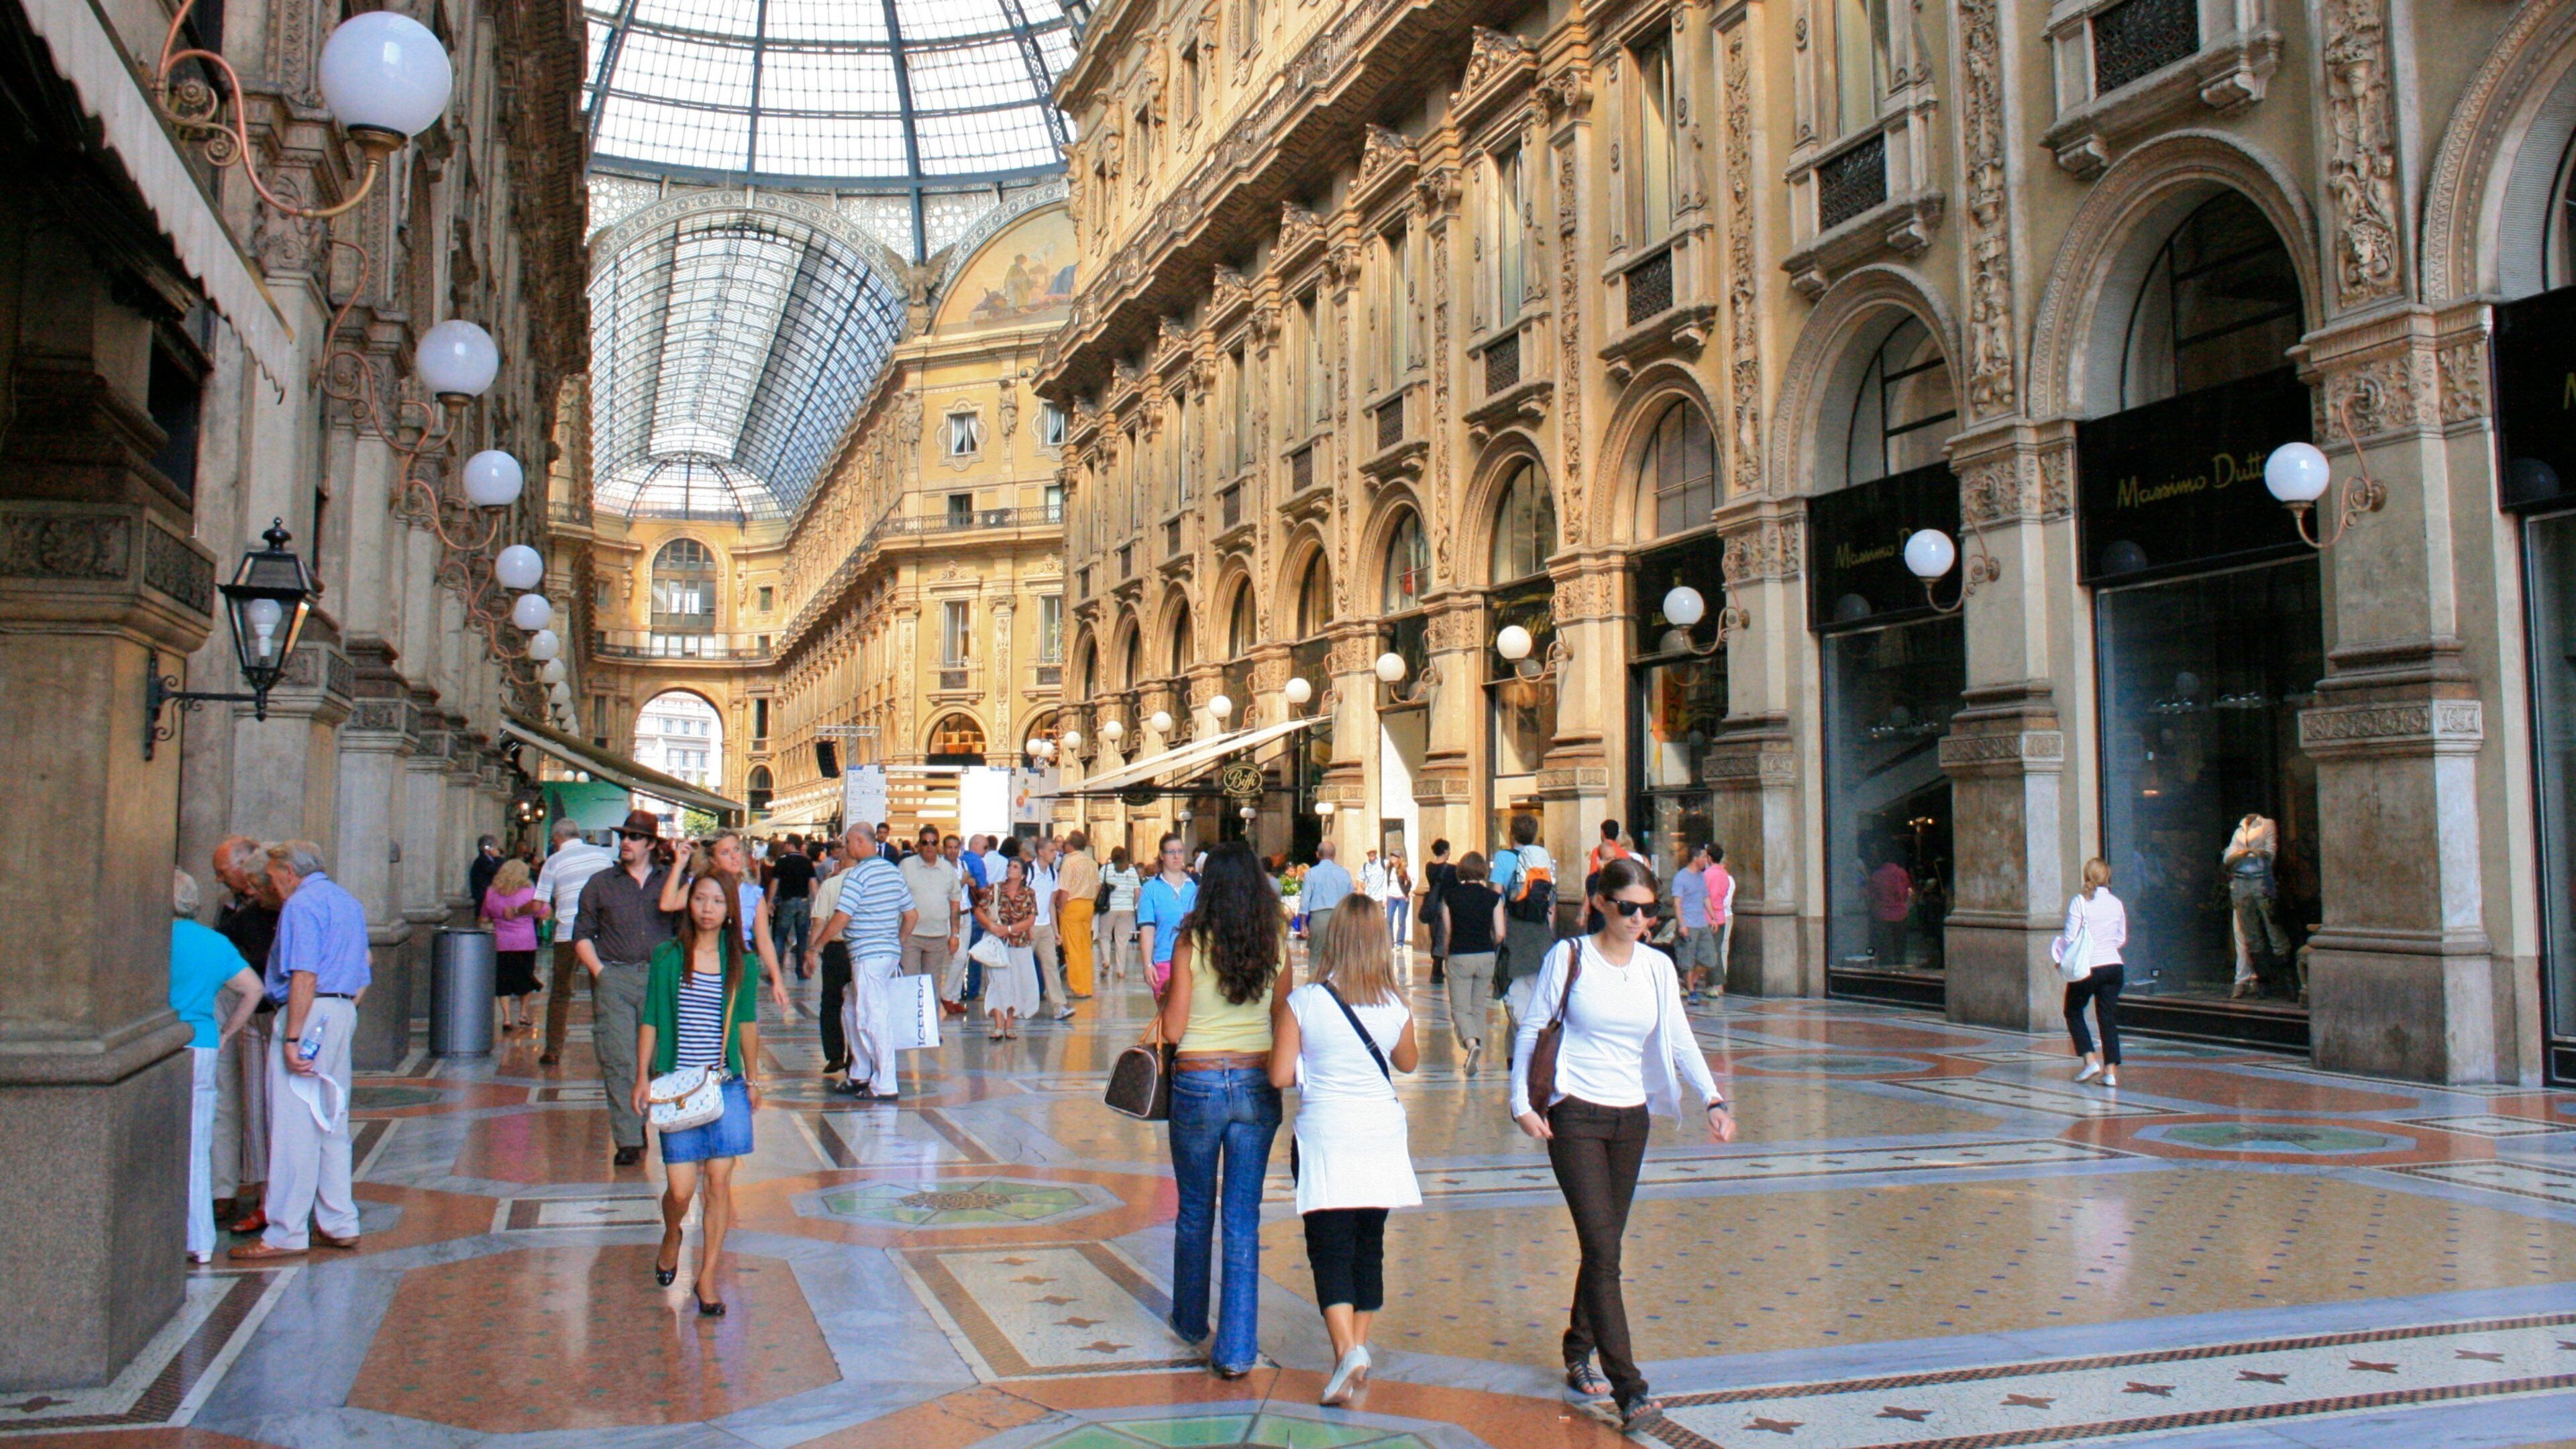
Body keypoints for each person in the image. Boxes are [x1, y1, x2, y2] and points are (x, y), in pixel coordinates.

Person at [1509, 857, 1734, 1432]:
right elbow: (1533, 1027)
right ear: (1604, 904)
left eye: (1649, 910)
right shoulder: (1571, 956)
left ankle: (1577, 1348)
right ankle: (1631, 1390)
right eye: (1629, 907)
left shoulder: (1657, 968)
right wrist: (1521, 1104)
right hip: (1574, 1115)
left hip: (1630, 1119)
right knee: (1604, 1249)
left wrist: (1712, 1097)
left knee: (1603, 1245)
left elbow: (1678, 1037)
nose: (1640, 919)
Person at [1269, 902, 1421, 1405]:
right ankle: (1353, 1349)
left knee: (1328, 1246)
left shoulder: (1306, 1002)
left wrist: (1316, 1064)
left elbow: (1278, 1074)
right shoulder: (1394, 1005)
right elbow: (1408, 1062)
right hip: (1380, 1131)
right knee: (1368, 1244)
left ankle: (1348, 1352)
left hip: (1326, 1132)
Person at [1155, 841, 1287, 1378]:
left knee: (1193, 1209)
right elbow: (1284, 1015)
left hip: (1199, 1081)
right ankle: (1236, 1350)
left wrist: (1166, 998)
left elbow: (1174, 1029)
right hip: (1256, 1081)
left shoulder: (1191, 942)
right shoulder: (1273, 939)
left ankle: (1190, 1320)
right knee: (1242, 1218)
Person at [229, 843, 374, 1262]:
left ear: (290, 871)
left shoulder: (301, 905)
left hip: (308, 1012)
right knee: (332, 1121)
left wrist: (294, 1037)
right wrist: (340, 1013)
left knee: (294, 1126)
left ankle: (286, 1231)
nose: (270, 886)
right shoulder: (347, 901)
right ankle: (339, 1221)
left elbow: (304, 974)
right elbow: (363, 967)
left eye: (273, 877)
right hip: (342, 1009)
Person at [633, 871, 763, 1316]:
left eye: (717, 902)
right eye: (701, 899)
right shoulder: (668, 956)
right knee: (681, 1189)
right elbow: (651, 1017)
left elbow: (746, 1022)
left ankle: (707, 1276)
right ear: (690, 904)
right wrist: (641, 1077)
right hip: (677, 1087)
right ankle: (673, 1232)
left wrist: (754, 1077)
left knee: (720, 1180)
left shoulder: (740, 962)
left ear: (730, 911)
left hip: (724, 1085)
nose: (708, 908)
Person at [574, 810, 678, 1167]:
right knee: (619, 1058)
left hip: (660, 980)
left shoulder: (671, 881)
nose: (626, 843)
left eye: (634, 837)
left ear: (651, 844)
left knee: (659, 1059)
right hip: (615, 978)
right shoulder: (601, 883)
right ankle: (629, 1138)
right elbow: (583, 934)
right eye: (624, 837)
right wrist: (601, 972)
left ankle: (658, 1123)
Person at [171, 869, 261, 1265]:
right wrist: (227, 1032)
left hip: (161, 1043)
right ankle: (201, 1240)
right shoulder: (214, 941)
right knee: (198, 1144)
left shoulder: (146, 941)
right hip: (204, 1043)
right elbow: (253, 989)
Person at [808, 824, 915, 1100]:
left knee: (873, 1015)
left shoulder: (857, 876)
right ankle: (860, 1070)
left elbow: (842, 916)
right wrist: (896, 942)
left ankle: (886, 1082)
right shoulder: (893, 872)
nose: (845, 849)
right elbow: (912, 915)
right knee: (851, 1005)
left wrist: (817, 946)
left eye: (847, 843)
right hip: (886, 953)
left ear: (859, 842)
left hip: (867, 955)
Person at [211, 837, 278, 1236]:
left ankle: (294, 1199)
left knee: (286, 1108)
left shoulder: (293, 909)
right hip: (251, 1015)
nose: (255, 891)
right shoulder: (242, 913)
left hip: (283, 1013)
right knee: (250, 1106)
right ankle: (260, 1196)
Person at [660, 833, 792, 1014]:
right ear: (713, 860)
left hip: (739, 961)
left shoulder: (753, 894)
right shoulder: (700, 886)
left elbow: (763, 940)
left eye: (736, 849)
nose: (734, 856)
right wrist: (679, 866)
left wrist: (777, 980)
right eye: (725, 853)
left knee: (740, 1021)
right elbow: (668, 904)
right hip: (705, 961)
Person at [534, 820, 614, 1066]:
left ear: (558, 838)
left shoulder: (554, 862)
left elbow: (540, 906)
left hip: (568, 934)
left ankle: (553, 1050)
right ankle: (608, 1051)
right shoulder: (603, 857)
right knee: (603, 993)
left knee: (560, 993)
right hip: (600, 934)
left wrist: (518, 911)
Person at [2059, 857, 2130, 1087]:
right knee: (2107, 1017)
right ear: (2107, 876)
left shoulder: (2080, 901)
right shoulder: (2116, 903)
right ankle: (2110, 1070)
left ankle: (2089, 1059)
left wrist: (2060, 958)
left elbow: (2070, 938)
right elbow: (2121, 938)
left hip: (2088, 966)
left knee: (2073, 1010)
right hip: (2114, 966)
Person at [1435, 852, 1507, 1074]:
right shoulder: (1493, 898)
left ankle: (1472, 1045)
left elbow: (1447, 932)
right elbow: (1501, 934)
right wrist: (1491, 944)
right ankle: (1474, 1054)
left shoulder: (1450, 896)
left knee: (1459, 1009)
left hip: (1460, 955)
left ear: (1461, 871)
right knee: (1478, 1008)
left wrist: (1446, 955)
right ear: (1483, 871)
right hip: (1486, 955)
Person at [2225, 813, 2293, 998]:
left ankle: (2288, 983)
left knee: (2273, 929)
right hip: (2241, 883)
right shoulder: (2240, 828)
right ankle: (2262, 983)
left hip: (2261, 881)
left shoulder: (2266, 824)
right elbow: (2228, 858)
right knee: (2251, 935)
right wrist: (2246, 854)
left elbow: (2270, 854)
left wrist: (2242, 856)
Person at [481, 857, 549, 1034]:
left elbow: (484, 916)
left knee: (503, 980)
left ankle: (506, 1017)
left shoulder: (491, 892)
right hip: (525, 941)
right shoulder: (529, 892)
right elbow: (544, 913)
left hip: (501, 942)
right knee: (525, 977)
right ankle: (523, 1013)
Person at [978, 856, 1041, 1040]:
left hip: (1019, 943)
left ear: (1023, 874)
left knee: (1015, 984)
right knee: (998, 982)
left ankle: (1009, 1024)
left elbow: (1031, 919)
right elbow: (979, 910)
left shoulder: (1029, 893)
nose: (1010, 869)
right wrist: (992, 927)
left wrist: (1010, 929)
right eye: (1009, 866)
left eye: (1015, 867)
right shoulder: (995, 889)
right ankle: (998, 1025)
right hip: (998, 943)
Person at [1497, 814, 1558, 994]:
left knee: (1513, 987)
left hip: (1514, 926)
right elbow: (1552, 903)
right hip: (1541, 927)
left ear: (1512, 834)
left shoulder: (1503, 857)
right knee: (1537, 987)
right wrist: (1550, 935)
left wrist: (1497, 932)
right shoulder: (1544, 859)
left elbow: (1495, 896)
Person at [1134, 833, 1201, 996]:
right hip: (1165, 960)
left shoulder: (1195, 886)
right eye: (1171, 852)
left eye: (1180, 851)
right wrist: (1147, 965)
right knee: (1170, 1015)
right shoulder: (1151, 889)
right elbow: (1148, 929)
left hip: (1194, 961)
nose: (1177, 856)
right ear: (1162, 855)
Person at [809, 845, 854, 1075]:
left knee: (831, 1002)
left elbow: (819, 921)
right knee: (859, 1004)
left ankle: (835, 1054)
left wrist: (812, 950)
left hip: (835, 949)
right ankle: (857, 1057)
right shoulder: (867, 884)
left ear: (841, 862)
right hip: (860, 950)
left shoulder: (831, 884)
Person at [900, 824, 961, 984]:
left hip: (938, 936)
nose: (929, 846)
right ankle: (909, 1011)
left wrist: (955, 935)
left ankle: (932, 1010)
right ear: (919, 844)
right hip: (910, 935)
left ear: (938, 845)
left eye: (933, 843)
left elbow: (955, 905)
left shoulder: (947, 869)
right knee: (909, 983)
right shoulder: (906, 866)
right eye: (925, 842)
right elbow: (895, 900)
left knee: (932, 985)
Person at [1029, 836, 1073, 1022]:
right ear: (1041, 852)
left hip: (1045, 925)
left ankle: (1059, 1006)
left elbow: (1051, 904)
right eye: (1052, 851)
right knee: (1022, 968)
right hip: (1028, 926)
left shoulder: (1053, 874)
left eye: (1056, 851)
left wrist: (1056, 931)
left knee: (1051, 966)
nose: (1056, 854)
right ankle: (1016, 1005)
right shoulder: (1029, 872)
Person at [1670, 845, 1717, 1006]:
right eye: (1704, 857)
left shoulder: (1701, 877)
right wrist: (1681, 924)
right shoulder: (1681, 877)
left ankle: (1690, 982)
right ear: (1695, 858)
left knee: (1710, 958)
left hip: (1702, 923)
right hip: (1688, 924)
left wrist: (1713, 917)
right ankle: (1692, 990)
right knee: (1687, 959)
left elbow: (1706, 897)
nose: (1706, 860)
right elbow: (1677, 903)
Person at [1057, 830, 1100, 999]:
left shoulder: (1069, 862)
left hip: (1072, 906)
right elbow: (1097, 886)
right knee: (1085, 946)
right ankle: (1087, 985)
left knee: (1072, 948)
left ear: (1070, 845)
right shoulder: (1092, 863)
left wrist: (1061, 908)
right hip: (1088, 905)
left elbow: (1064, 889)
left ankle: (1078, 986)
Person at [769, 837, 816, 977]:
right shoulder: (807, 862)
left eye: (786, 844)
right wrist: (817, 903)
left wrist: (769, 902)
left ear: (791, 845)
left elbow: (775, 883)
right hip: (803, 902)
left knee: (780, 937)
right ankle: (801, 971)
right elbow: (813, 884)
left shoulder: (782, 861)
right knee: (802, 938)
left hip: (786, 902)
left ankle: (776, 970)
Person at [1100, 845, 1142, 983]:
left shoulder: (1106, 869)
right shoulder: (1131, 871)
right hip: (1127, 908)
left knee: (1105, 936)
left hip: (1109, 907)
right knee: (1122, 940)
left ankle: (1106, 960)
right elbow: (1137, 891)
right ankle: (1121, 970)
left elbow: (1098, 887)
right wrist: (1133, 905)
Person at [1301, 841, 1353, 945]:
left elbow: (1305, 901)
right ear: (1334, 855)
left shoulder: (1311, 873)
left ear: (1317, 854)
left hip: (1318, 919)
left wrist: (1303, 924)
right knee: (1339, 957)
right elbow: (1350, 900)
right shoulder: (1344, 873)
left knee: (1316, 958)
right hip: (1339, 918)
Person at [1419, 841, 1456, 985]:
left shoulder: (1429, 867)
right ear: (1445, 851)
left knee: (1435, 936)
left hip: (1432, 905)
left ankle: (1437, 968)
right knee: (1443, 936)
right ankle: (1436, 970)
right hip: (1445, 905)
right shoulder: (1452, 869)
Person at [1703, 843, 1735, 1002]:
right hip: (1721, 916)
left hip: (1708, 917)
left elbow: (1704, 896)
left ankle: (1715, 983)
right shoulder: (1725, 876)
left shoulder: (1706, 875)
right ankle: (1713, 984)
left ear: (1709, 858)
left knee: (1709, 952)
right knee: (1715, 950)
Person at [1384, 851, 1413, 951]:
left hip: (1402, 897)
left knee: (1401, 921)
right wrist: (1385, 898)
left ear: (1399, 858)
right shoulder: (1389, 869)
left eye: (1395, 857)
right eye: (1392, 856)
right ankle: (1390, 942)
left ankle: (1400, 942)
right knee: (1389, 919)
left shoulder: (1404, 869)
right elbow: (1385, 883)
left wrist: (1409, 892)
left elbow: (1411, 880)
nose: (1393, 858)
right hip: (1391, 896)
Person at [468, 835, 502, 907]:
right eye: (494, 847)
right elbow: (497, 871)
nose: (496, 849)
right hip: (483, 899)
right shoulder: (482, 861)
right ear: (487, 848)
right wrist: (498, 858)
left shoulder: (489, 860)